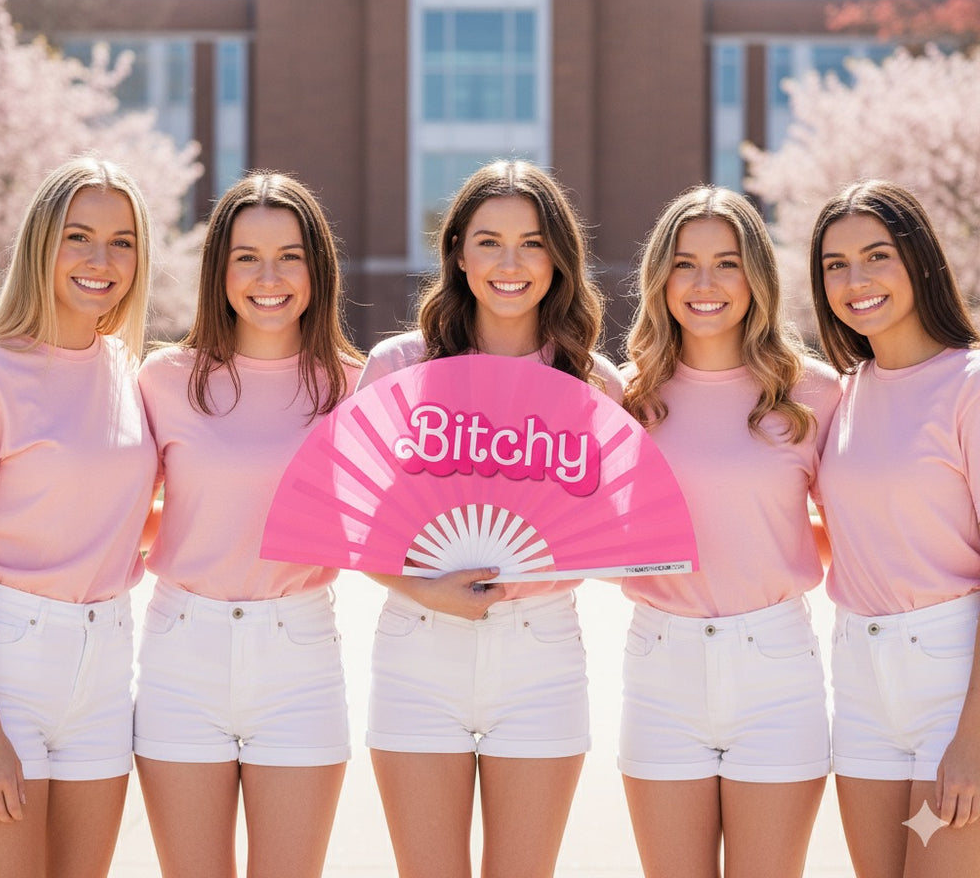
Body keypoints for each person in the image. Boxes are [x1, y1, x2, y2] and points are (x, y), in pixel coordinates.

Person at [357, 159, 623, 878]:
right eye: (488, 242)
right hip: (417, 645)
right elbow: (350, 518)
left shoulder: (596, 385)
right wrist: (423, 590)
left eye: (532, 242)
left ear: (559, 258)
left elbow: (625, 535)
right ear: (458, 254)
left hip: (542, 655)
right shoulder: (398, 367)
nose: (511, 263)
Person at [133, 173, 363, 878]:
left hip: (298, 653)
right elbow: (123, 510)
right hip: (181, 653)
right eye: (246, 257)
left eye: (290, 255)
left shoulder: (356, 387)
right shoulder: (163, 379)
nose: (269, 277)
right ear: (219, 270)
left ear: (318, 269)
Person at [619, 185, 839, 878]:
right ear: (661, 277)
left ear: (757, 278)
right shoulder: (623, 399)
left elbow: (852, 525)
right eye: (685, 263)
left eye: (727, 263)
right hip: (661, 665)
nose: (705, 283)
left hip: (775, 664)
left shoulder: (817, 394)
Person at [0, 156, 157, 878]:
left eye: (122, 242)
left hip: (107, 666)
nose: (100, 259)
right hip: (9, 668)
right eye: (78, 236)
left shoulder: (131, 372)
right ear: (40, 246)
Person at [810, 180, 980, 878]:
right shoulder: (841, 395)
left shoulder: (970, 384)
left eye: (876, 255)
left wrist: (972, 740)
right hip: (859, 679)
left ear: (920, 261)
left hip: (953, 681)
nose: (855, 281)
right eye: (834, 265)